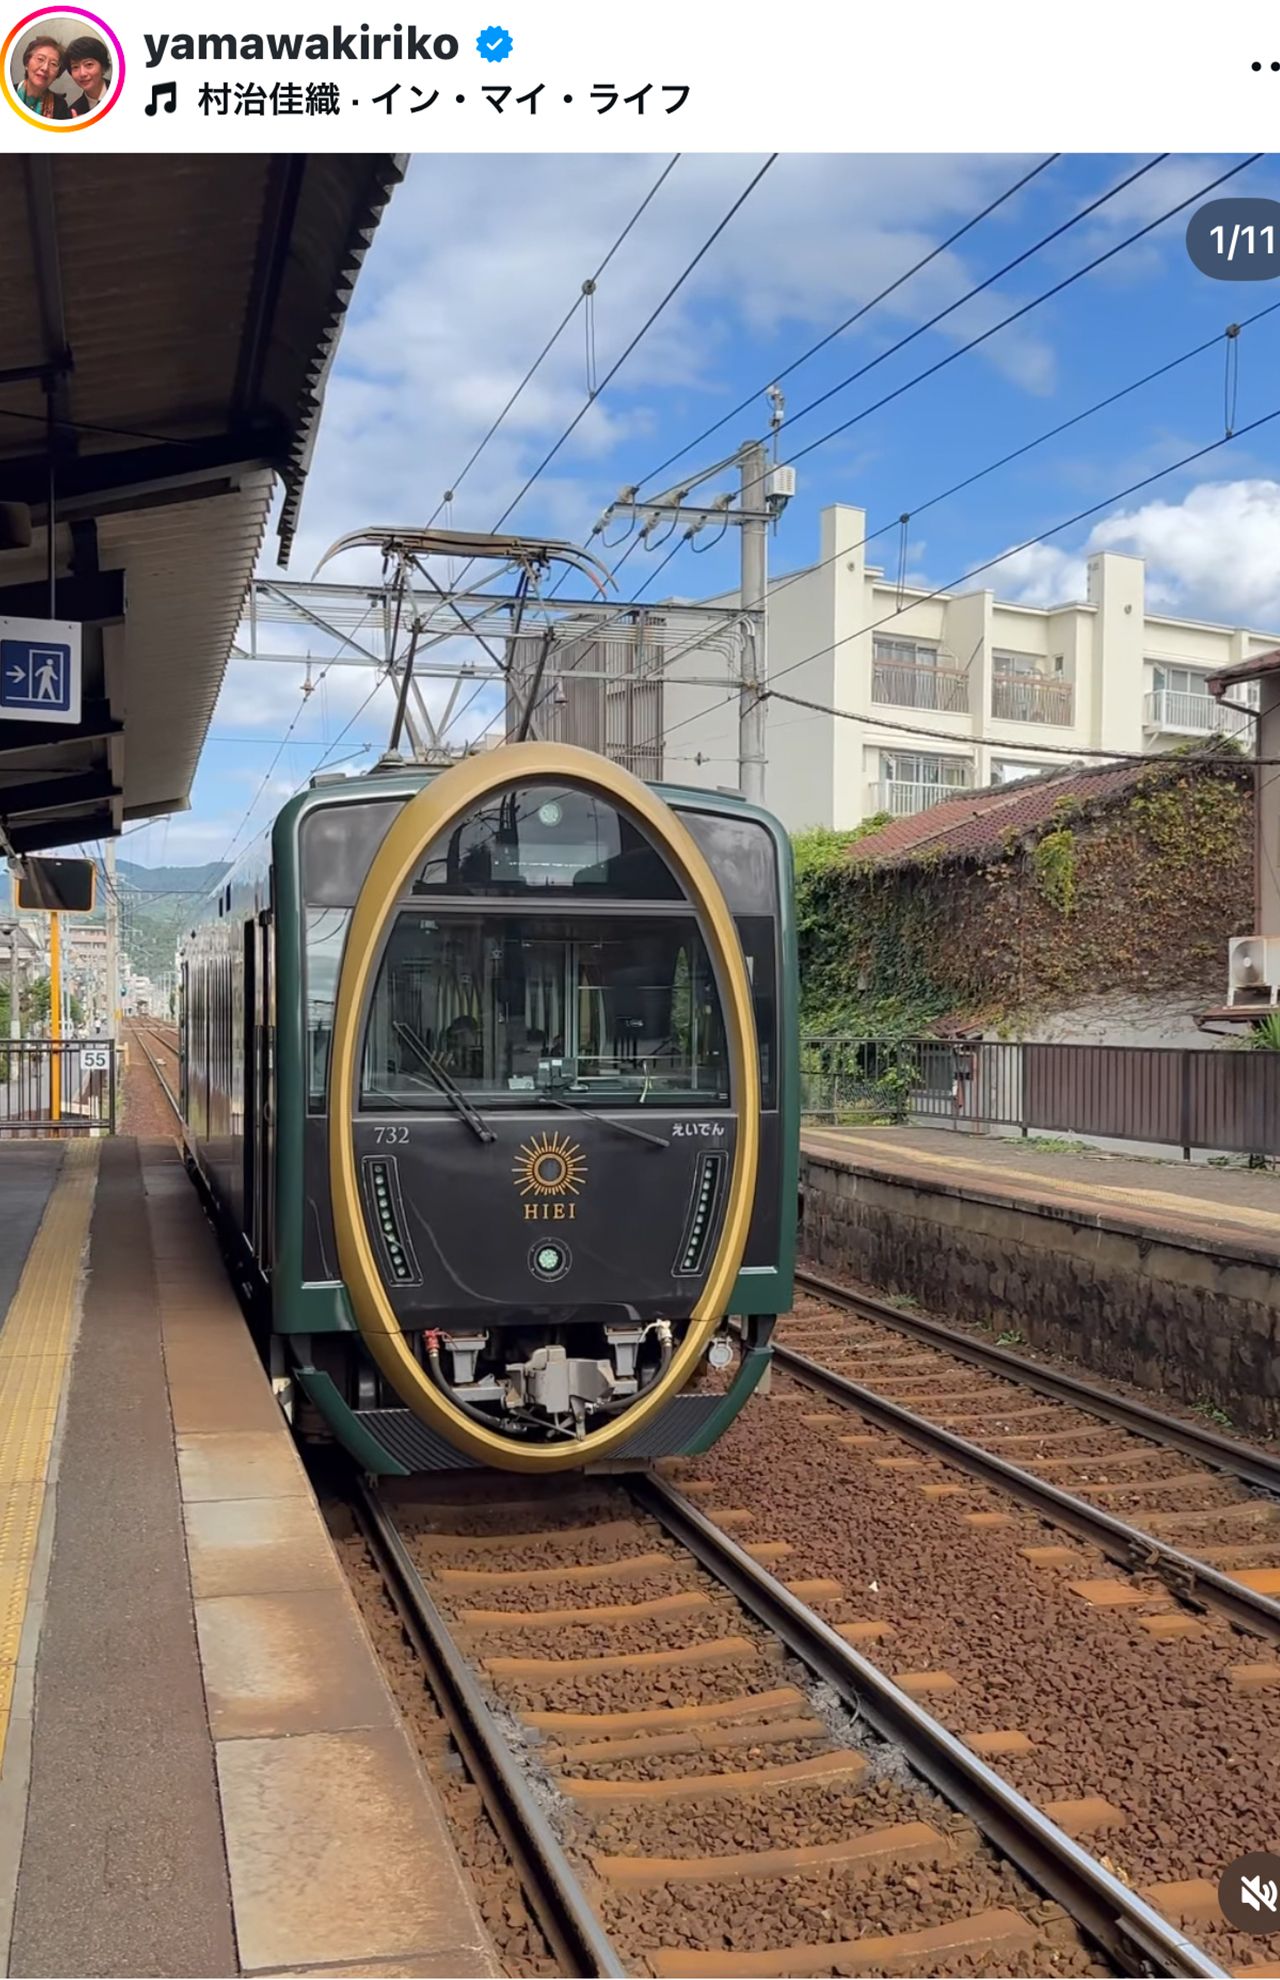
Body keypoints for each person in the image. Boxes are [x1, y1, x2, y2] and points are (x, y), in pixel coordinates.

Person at [15, 36, 70, 118]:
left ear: (57, 74)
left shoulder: (60, 106)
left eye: (53, 64)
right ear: (27, 63)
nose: (45, 68)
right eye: (40, 59)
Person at [64, 35, 111, 115]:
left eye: (89, 64)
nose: (82, 73)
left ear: (103, 66)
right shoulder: (73, 113)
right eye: (75, 67)